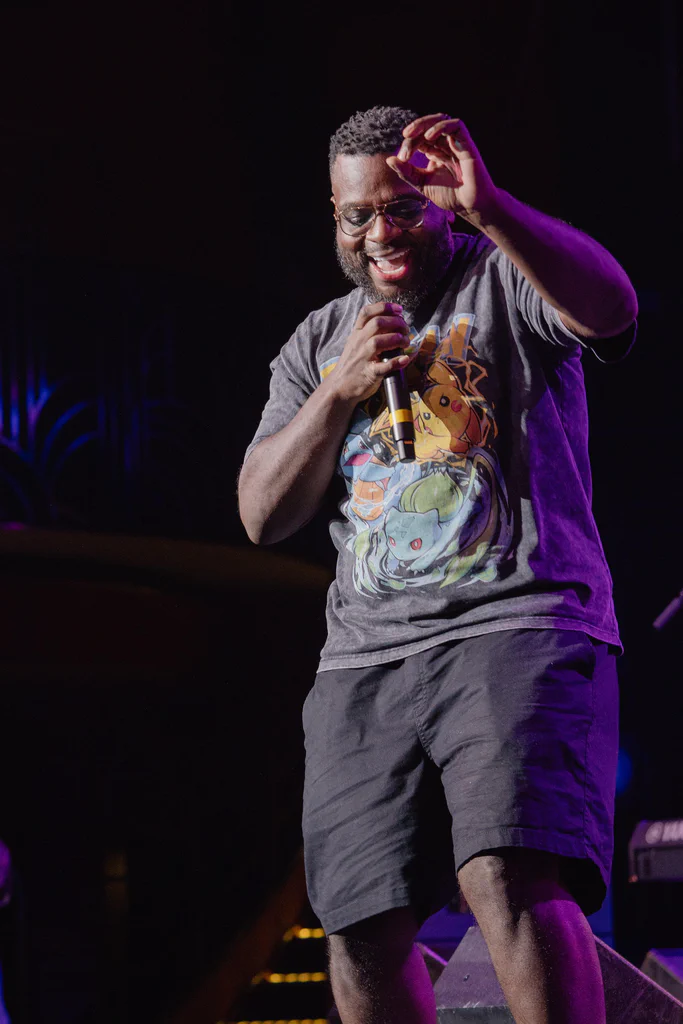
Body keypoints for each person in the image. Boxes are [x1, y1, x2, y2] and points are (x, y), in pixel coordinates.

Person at [238, 106, 637, 1024]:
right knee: (356, 920)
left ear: (438, 205)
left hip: (517, 625)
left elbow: (611, 307)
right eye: (355, 214)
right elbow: (262, 513)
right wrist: (335, 394)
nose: (379, 231)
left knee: (506, 869)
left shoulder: (502, 278)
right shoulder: (316, 343)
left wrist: (489, 205)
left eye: (402, 207)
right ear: (333, 217)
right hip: (362, 662)